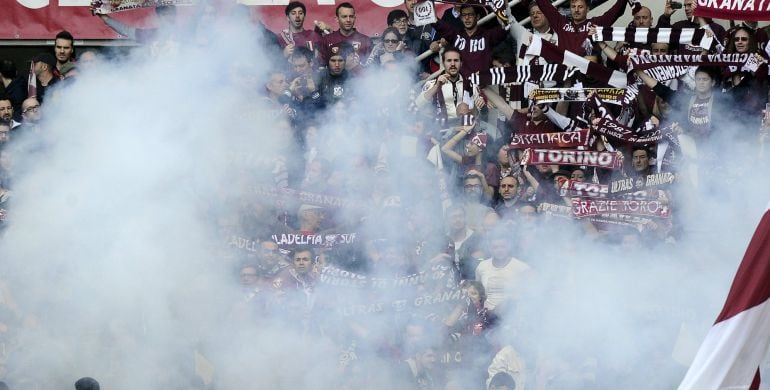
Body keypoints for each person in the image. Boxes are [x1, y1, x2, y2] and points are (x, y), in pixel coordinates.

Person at [433, 5, 507, 76]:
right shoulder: (456, 35)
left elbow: (506, 26)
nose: (467, 18)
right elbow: (437, 23)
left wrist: (503, 5)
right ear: (461, 18)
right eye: (464, 15)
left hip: (483, 85)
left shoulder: (487, 35)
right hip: (461, 85)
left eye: (470, 15)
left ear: (477, 17)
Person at [535, 0, 628, 56]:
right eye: (573, 7)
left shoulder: (596, 23)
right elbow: (544, 4)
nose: (576, 10)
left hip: (590, 76)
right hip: (567, 75)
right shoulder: (561, 23)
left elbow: (617, 10)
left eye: (580, 7)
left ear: (587, 9)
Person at [415, 47, 477, 125]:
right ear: (443, 63)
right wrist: (437, 86)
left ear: (461, 63)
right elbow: (418, 104)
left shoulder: (471, 85)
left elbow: (478, 113)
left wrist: (471, 109)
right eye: (449, 60)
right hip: (440, 128)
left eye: (456, 60)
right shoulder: (433, 84)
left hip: (465, 126)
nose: (453, 64)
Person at [475, 233, 530, 312]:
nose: (499, 250)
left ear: (508, 247)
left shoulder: (521, 268)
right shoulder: (482, 266)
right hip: (488, 314)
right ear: (490, 249)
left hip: (513, 315)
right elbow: (478, 293)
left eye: (503, 246)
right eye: (495, 247)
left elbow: (528, 295)